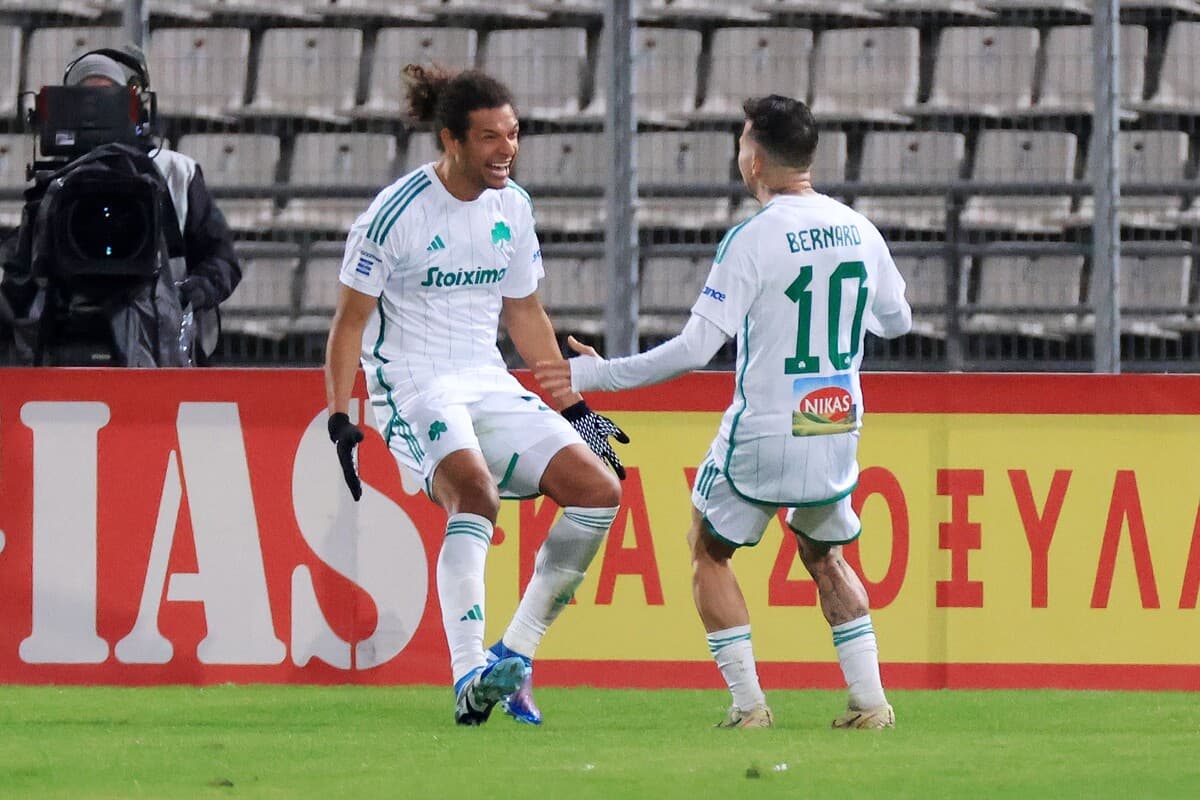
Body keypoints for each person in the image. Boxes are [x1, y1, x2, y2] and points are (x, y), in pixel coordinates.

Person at [535, 95, 912, 730]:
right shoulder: (860, 229)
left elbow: (694, 350)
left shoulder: (752, 238)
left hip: (765, 427)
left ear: (755, 158)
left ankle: (748, 706)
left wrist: (597, 374)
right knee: (826, 558)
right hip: (834, 423)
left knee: (709, 549)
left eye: (742, 142)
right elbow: (898, 321)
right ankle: (870, 702)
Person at [323, 65, 627, 727]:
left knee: (600, 492)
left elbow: (524, 313)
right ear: (450, 141)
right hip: (413, 381)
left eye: (513, 134)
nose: (506, 150)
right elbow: (348, 323)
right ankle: (467, 675)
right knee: (476, 495)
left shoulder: (512, 207)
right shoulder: (394, 214)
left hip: (485, 377)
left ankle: (511, 658)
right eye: (490, 137)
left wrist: (573, 407)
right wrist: (340, 418)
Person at [0, 49, 240, 364]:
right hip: (65, 343)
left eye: (106, 99)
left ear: (134, 110)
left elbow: (222, 259)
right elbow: (20, 280)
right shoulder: (54, 184)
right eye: (85, 100)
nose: (96, 111)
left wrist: (188, 294)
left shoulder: (175, 173)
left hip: (166, 352)